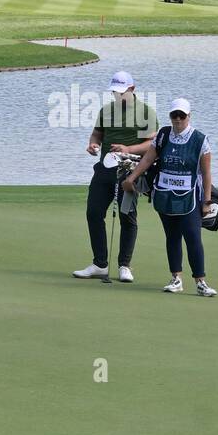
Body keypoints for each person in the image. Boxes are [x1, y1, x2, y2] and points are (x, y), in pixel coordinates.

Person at [121, 98, 217, 297]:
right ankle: (176, 279)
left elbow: (207, 173)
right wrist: (132, 177)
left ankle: (201, 282)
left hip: (190, 197)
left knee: (193, 238)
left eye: (182, 116)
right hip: (164, 195)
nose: (178, 119)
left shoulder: (200, 140)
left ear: (189, 116)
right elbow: (148, 158)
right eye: (175, 115)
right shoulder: (163, 135)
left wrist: (207, 201)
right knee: (172, 237)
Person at [72, 70, 156, 283]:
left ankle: (124, 266)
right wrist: (93, 144)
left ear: (132, 89)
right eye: (114, 92)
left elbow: (152, 145)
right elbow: (97, 134)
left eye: (121, 92)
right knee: (93, 212)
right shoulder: (106, 110)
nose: (117, 96)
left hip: (130, 171)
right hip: (105, 168)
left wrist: (129, 148)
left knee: (127, 217)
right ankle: (100, 264)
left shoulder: (146, 112)